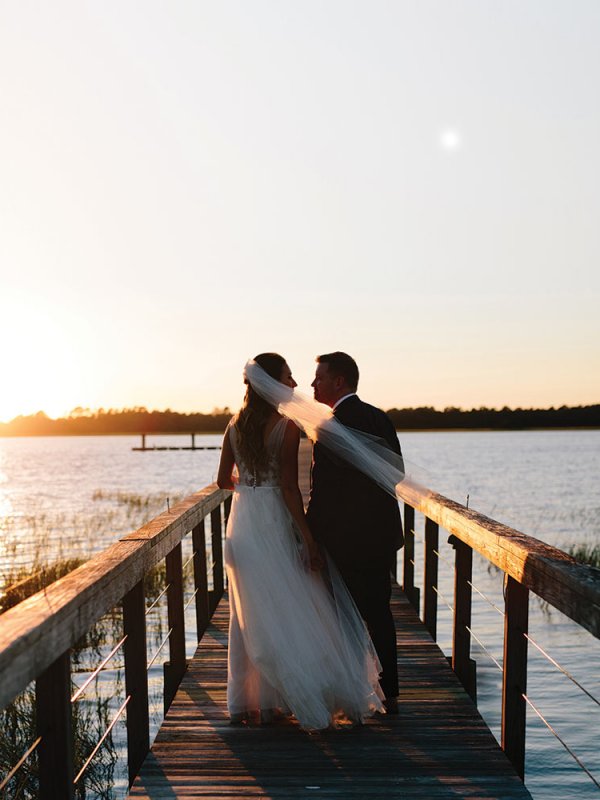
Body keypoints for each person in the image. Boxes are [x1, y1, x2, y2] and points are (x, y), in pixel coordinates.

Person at [217, 352, 384, 731]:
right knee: (285, 606)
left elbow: (221, 482)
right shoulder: (287, 426)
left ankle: (244, 705)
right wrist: (308, 537)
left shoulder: (233, 427)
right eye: (288, 376)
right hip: (273, 521)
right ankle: (282, 700)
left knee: (247, 616)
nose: (294, 384)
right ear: (271, 383)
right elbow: (292, 489)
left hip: (242, 525)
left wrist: (248, 487)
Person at [306, 352, 404, 714]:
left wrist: (309, 535)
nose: (313, 384)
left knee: (343, 617)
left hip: (342, 539)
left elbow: (321, 492)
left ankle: (353, 693)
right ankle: (390, 692)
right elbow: (395, 473)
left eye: (319, 377)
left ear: (339, 382)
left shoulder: (328, 428)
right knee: (379, 612)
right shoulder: (379, 418)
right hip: (378, 535)